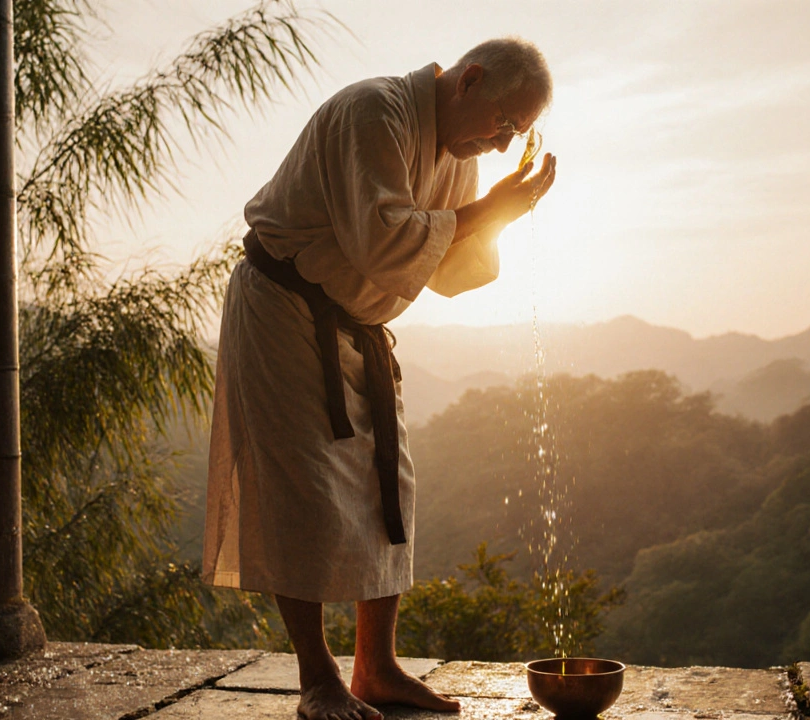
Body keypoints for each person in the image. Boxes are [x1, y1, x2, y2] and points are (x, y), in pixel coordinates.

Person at [202, 37, 557, 720]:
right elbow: (387, 242)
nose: (502, 143)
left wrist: (498, 215)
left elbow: (448, 269)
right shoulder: (376, 113)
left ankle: (377, 666)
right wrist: (487, 213)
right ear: (471, 80)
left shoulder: (454, 155)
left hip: (357, 329)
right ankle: (318, 680)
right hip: (282, 310)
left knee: (389, 487)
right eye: (504, 125)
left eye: (516, 134)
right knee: (300, 490)